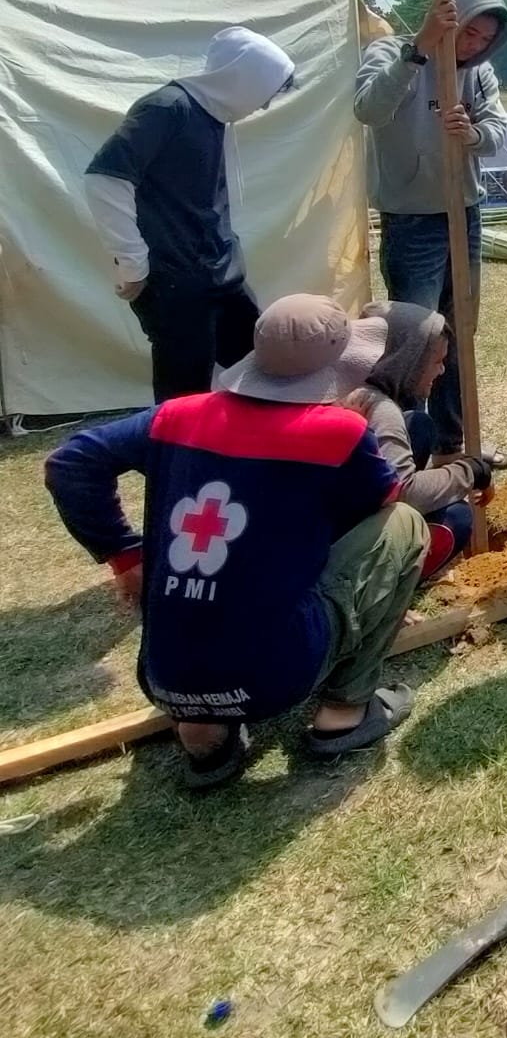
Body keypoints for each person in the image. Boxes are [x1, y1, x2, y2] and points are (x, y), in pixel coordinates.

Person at [44, 295, 428, 789]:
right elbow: (384, 497)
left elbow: (70, 464)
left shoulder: (175, 416)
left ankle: (205, 735)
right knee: (403, 524)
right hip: (280, 676)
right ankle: (345, 711)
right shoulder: (338, 431)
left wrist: (122, 553)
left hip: (165, 680)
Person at [84, 27, 297, 403]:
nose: (263, 106)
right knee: (185, 400)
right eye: (265, 93)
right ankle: (175, 445)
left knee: (266, 369)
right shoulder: (167, 108)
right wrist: (132, 262)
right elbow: (105, 179)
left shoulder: (212, 116)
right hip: (176, 284)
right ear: (244, 78)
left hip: (220, 275)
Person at [354, 0, 507, 467]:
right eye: (470, 33)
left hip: (463, 212)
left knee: (459, 332)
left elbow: (497, 133)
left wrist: (473, 134)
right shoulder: (390, 52)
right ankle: (405, 451)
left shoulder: (479, 73)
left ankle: (452, 444)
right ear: (449, 20)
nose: (475, 46)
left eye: (486, 39)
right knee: (415, 339)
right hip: (412, 219)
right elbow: (369, 109)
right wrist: (418, 51)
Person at [346, 300, 495, 584]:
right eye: (436, 361)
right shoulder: (380, 410)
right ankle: (382, 580)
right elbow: (406, 491)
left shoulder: (350, 384)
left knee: (418, 425)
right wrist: (472, 471)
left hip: (344, 504)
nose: (441, 371)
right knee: (457, 519)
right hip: (344, 542)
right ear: (407, 360)